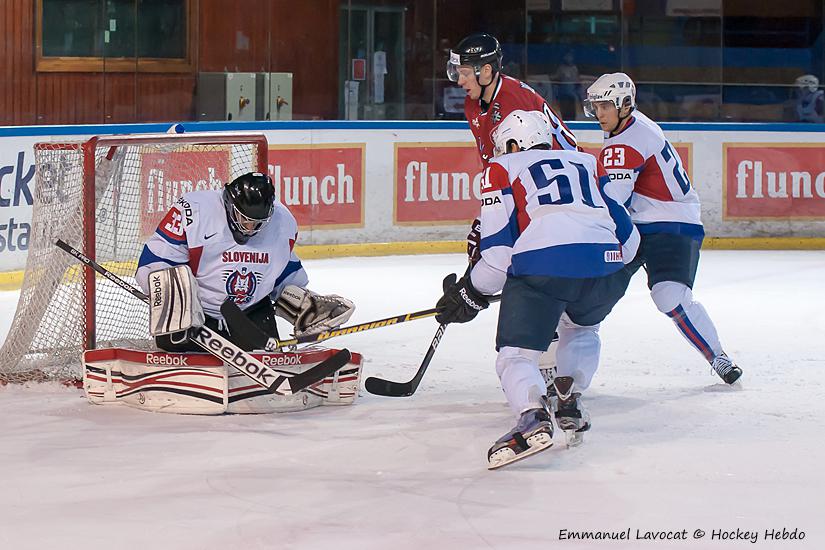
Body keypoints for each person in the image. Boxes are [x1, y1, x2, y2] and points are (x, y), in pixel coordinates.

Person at [434, 110, 639, 469]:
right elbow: (632, 240)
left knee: (515, 356)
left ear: (513, 144)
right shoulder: (588, 162)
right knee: (581, 327)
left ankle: (531, 417)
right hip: (607, 269)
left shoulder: (501, 169)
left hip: (544, 267)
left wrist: (470, 292)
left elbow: (498, 256)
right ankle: (569, 397)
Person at [583, 73, 742, 385]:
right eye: (595, 106)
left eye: (604, 106)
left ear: (623, 104)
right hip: (645, 224)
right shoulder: (632, 126)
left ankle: (718, 357)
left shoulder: (626, 142)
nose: (598, 113)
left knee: (669, 295)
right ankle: (567, 370)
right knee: (592, 292)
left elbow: (614, 202)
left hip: (671, 224)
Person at [447, 32, 578, 387]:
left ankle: (550, 368)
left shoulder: (518, 104)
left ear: (486, 70)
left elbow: (546, 163)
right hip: (524, 189)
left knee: (533, 274)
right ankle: (544, 359)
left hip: (549, 195)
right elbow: (496, 167)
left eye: (464, 72)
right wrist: (485, 218)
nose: (458, 81)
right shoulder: (475, 104)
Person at [135, 172, 355, 352]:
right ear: (230, 206)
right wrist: (175, 301)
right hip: (195, 317)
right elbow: (153, 263)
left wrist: (306, 306)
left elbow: (282, 271)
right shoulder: (194, 212)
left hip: (249, 313)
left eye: (257, 223)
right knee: (176, 340)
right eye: (244, 220)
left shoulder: (283, 223)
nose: (250, 229)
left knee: (266, 356)